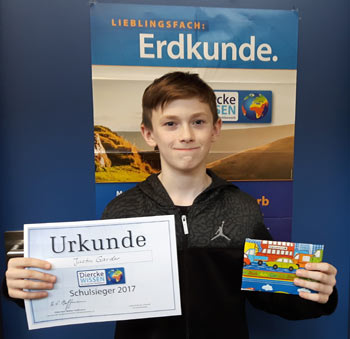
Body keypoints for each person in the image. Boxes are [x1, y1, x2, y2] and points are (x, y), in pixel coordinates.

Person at [5, 72, 337, 338]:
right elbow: (89, 286)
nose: (186, 135)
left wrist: (316, 292)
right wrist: (24, 288)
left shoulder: (242, 208)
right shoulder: (122, 211)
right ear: (149, 134)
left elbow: (271, 293)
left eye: (198, 121)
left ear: (215, 129)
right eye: (170, 123)